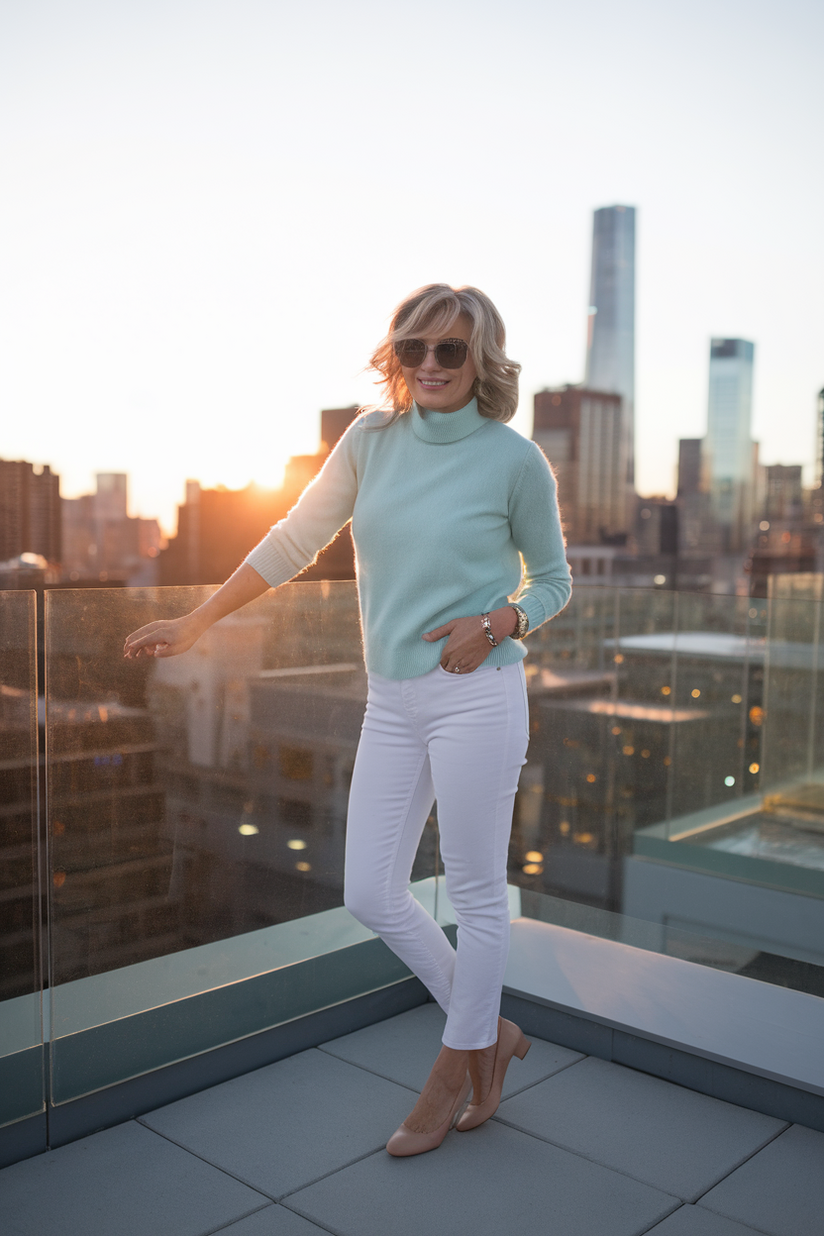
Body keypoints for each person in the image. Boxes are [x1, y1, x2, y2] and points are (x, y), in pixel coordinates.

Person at [124, 283, 572, 1157]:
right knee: (370, 890)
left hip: (479, 695)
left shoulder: (514, 460)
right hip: (392, 700)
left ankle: (454, 1067)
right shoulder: (370, 441)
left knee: (478, 892)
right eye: (417, 350)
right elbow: (294, 539)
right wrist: (198, 621)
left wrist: (496, 623)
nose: (433, 365)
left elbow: (552, 582)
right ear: (396, 360)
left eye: (452, 350)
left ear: (483, 360)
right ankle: (490, 1034)